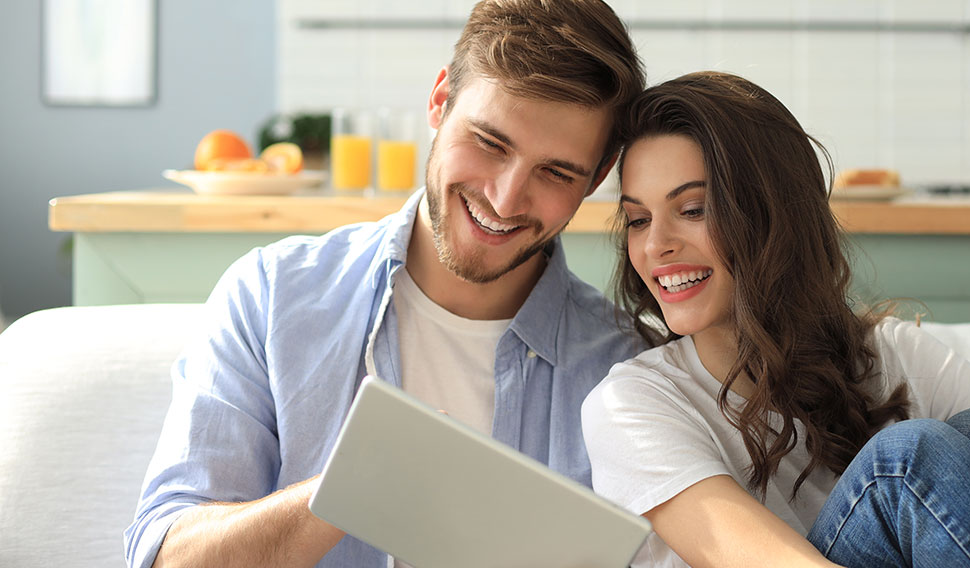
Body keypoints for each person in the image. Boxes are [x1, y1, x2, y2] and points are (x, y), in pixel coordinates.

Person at [124, 2, 646, 567]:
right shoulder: (271, 296)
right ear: (439, 102)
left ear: (597, 177)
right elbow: (168, 558)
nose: (504, 199)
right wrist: (356, 485)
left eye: (556, 173)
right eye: (490, 144)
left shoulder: (627, 365)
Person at [581, 71, 970, 567]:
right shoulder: (631, 406)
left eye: (693, 210)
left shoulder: (886, 353)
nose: (655, 245)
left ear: (772, 215)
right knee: (905, 463)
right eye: (636, 219)